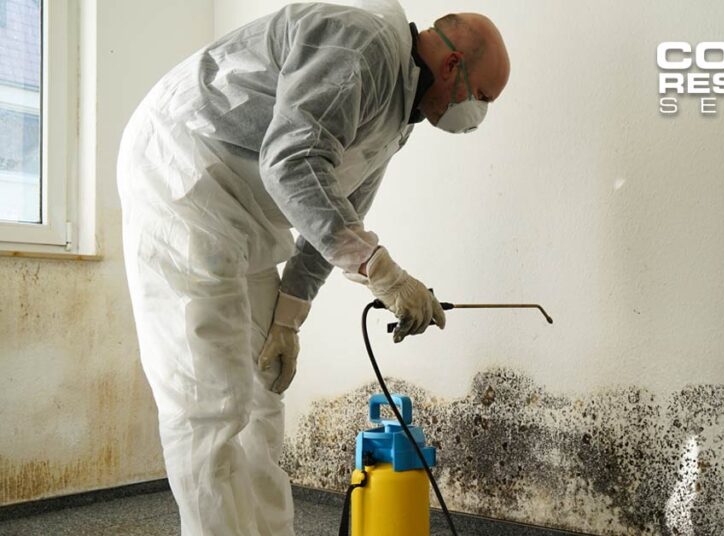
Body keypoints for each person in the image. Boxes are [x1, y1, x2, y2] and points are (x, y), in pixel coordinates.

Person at [115, 1, 510, 533]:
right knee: (209, 401)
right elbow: (292, 161)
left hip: (245, 209)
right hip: (184, 174)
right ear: (451, 65)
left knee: (261, 391)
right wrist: (383, 273)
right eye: (482, 96)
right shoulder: (362, 44)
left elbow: (336, 216)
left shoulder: (397, 114)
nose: (477, 114)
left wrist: (287, 320)